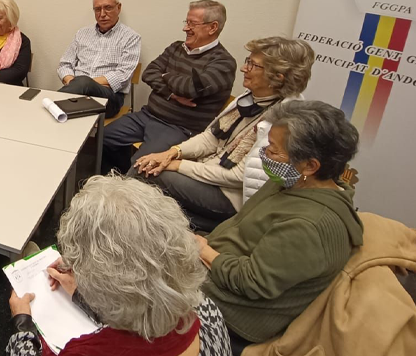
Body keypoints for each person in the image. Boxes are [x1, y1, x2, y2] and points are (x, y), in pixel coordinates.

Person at [5, 174, 238, 356]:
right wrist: (80, 293)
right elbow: (143, 306)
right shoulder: (207, 312)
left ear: (103, 286)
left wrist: (23, 327)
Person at [194, 100, 363, 356]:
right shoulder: (292, 181)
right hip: (213, 267)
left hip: (232, 312)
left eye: (273, 151)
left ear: (310, 165)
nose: (264, 156)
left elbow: (252, 283)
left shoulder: (309, 226)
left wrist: (204, 251)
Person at [131, 37, 314, 231]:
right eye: (248, 61)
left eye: (253, 65)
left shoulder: (283, 121)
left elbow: (237, 176)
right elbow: (209, 138)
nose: (244, 69)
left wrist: (178, 165)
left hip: (229, 197)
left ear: (278, 77)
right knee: (147, 165)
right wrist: (172, 152)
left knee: (146, 171)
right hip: (208, 174)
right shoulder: (247, 99)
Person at [101, 0, 237, 174]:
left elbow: (190, 89)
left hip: (179, 128)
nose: (185, 28)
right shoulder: (176, 48)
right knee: (102, 139)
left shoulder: (223, 62)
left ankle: (128, 186)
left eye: (192, 23)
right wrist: (171, 94)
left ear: (212, 27)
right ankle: (119, 176)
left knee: (141, 164)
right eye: (186, 22)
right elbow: (149, 73)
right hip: (147, 115)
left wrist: (166, 75)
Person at [57, 0, 142, 117]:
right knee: (66, 113)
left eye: (107, 8)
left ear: (118, 8)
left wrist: (86, 84)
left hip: (109, 98)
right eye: (97, 9)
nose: (102, 14)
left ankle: (50, 105)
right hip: (76, 93)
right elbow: (64, 65)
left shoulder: (131, 37)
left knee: (82, 84)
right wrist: (74, 83)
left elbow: (122, 76)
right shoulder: (82, 34)